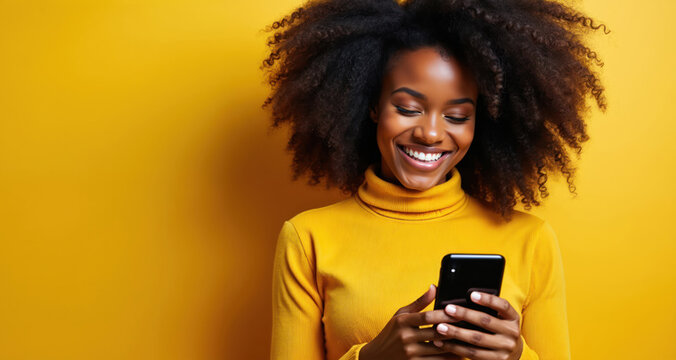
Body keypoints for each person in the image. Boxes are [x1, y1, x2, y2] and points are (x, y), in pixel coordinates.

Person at [261, 0, 608, 359]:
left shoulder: (530, 240)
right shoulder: (308, 238)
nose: (430, 133)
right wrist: (371, 357)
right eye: (408, 109)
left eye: (457, 116)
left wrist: (516, 355)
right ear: (373, 106)